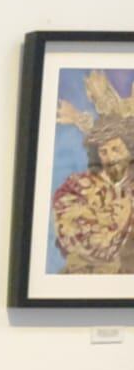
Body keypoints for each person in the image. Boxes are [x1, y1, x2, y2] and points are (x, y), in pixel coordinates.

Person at [51, 114, 134, 274]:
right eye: (103, 152)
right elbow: (85, 242)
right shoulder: (76, 188)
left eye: (116, 149)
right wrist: (122, 218)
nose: (110, 158)